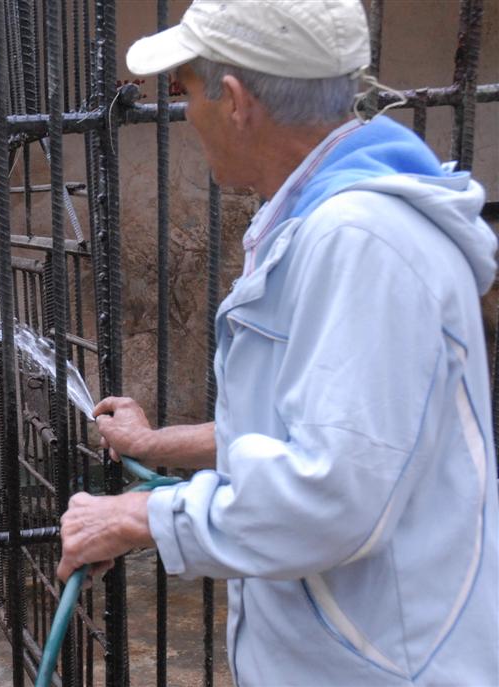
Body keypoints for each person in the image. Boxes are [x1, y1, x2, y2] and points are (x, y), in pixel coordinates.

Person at [55, 1, 499, 684]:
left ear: (233, 101)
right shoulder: (321, 224)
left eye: (185, 91)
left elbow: (331, 495)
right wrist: (153, 446)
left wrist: (142, 513)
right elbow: (313, 429)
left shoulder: (362, 242)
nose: (186, 114)